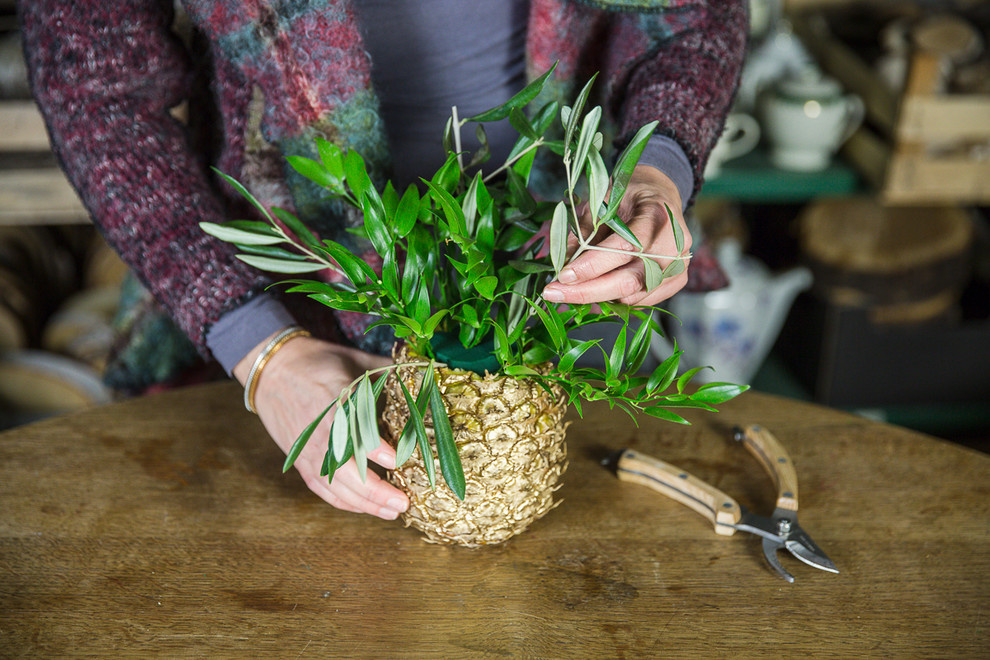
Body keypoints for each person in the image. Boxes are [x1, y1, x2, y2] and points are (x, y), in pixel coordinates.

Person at [21, 0, 747, 520]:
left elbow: (693, 19)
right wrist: (263, 351)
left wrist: (655, 172)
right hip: (291, 323)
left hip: (569, 288)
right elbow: (99, 96)